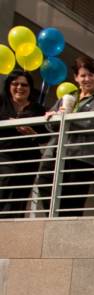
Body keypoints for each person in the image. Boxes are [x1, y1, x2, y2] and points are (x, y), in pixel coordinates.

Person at [42, 55, 94, 216]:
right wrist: (53, 117)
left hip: (82, 158)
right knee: (44, 184)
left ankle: (66, 235)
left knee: (71, 202)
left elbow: (93, 122)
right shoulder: (68, 97)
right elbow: (49, 125)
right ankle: (52, 224)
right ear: (76, 78)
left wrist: (66, 118)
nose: (87, 79)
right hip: (55, 153)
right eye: (82, 75)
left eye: (90, 74)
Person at [0, 70, 45, 218]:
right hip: (4, 154)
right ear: (8, 85)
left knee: (19, 196)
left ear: (30, 88)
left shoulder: (37, 109)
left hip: (28, 158)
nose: (20, 87)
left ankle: (13, 227)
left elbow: (45, 136)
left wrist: (33, 134)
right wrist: (10, 123)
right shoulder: (1, 102)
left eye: (24, 85)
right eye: (15, 84)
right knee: (6, 183)